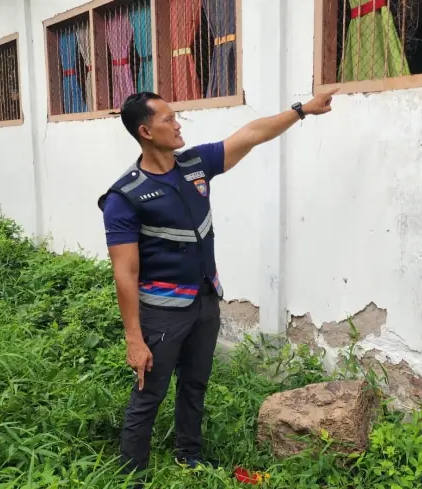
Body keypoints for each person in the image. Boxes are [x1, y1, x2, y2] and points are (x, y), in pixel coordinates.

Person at [97, 88, 338, 475]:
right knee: (149, 395)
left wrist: (302, 110)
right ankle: (132, 475)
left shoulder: (194, 164)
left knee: (195, 383)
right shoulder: (125, 196)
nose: (179, 125)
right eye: (168, 120)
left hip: (205, 300)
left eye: (177, 117)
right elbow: (125, 272)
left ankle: (189, 455)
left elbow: (251, 134)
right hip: (161, 313)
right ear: (145, 131)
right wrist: (134, 337)